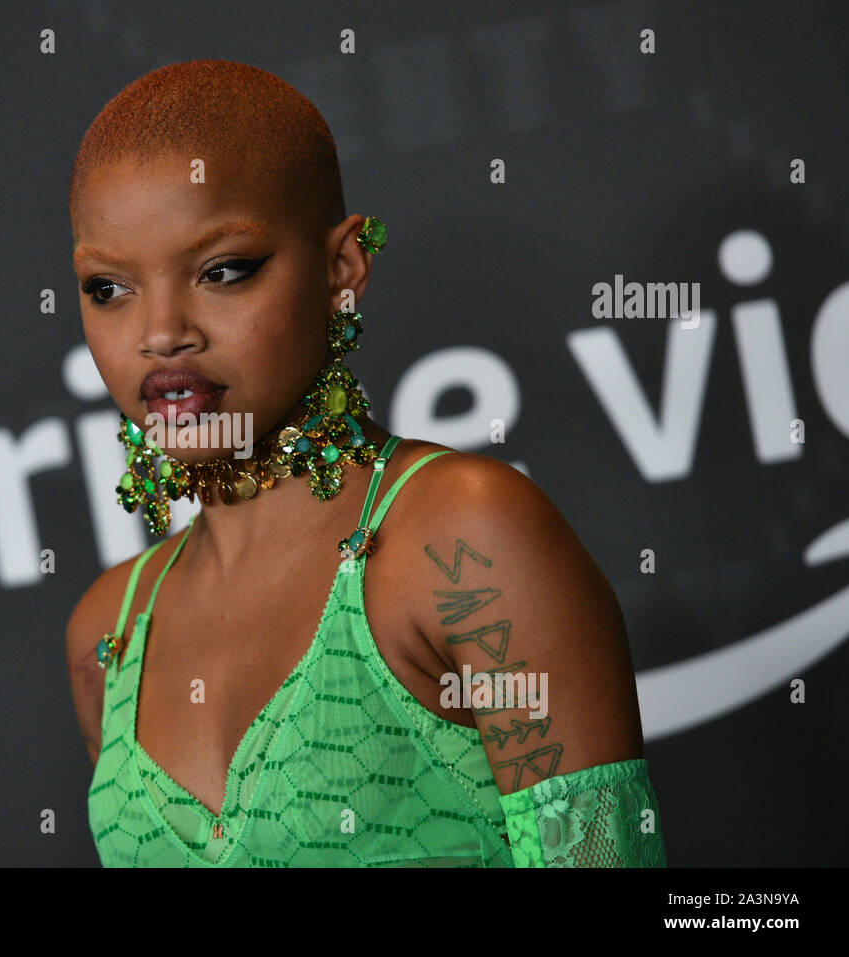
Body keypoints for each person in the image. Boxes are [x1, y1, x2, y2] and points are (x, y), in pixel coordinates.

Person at [64, 59, 666, 867]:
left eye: (222, 271)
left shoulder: (463, 539)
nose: (161, 332)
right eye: (108, 287)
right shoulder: (108, 631)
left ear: (343, 269)